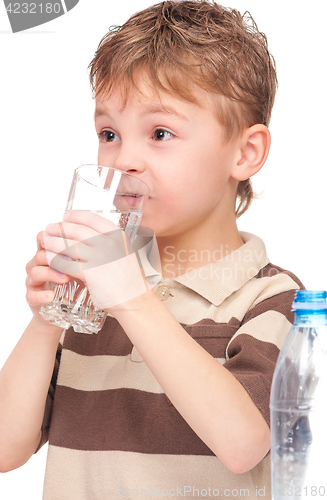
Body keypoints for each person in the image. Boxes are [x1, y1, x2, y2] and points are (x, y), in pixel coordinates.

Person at [0, 1, 303, 498]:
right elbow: (7, 450)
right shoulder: (95, 294)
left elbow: (244, 443)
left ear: (245, 153)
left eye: (160, 133)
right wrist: (48, 319)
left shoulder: (275, 299)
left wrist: (134, 300)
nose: (124, 160)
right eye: (108, 134)